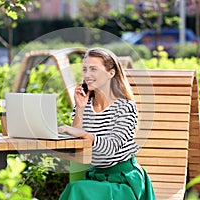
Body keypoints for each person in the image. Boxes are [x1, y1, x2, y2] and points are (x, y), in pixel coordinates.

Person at [57, 47, 156, 200]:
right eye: (85, 69)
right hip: (97, 177)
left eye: (93, 69)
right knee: (77, 189)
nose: (87, 75)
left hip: (124, 181)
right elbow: (78, 145)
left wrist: (84, 135)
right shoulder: (84, 104)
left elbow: (111, 147)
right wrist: (80, 109)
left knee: (76, 190)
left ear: (111, 73)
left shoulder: (125, 107)